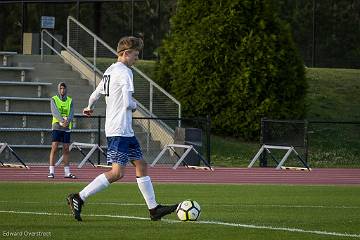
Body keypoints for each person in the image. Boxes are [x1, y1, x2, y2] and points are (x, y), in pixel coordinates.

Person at [66, 36, 178, 221]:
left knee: (141, 165)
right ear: (126, 54)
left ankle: (154, 209)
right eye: (136, 55)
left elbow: (95, 94)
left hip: (124, 131)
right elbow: (127, 103)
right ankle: (79, 197)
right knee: (118, 172)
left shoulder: (110, 70)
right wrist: (134, 106)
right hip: (119, 130)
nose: (137, 59)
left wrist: (89, 106)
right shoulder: (126, 72)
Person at [48, 82, 76, 179]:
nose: (62, 90)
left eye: (64, 88)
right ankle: (51, 171)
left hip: (67, 127)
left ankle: (67, 172)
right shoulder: (54, 99)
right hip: (57, 126)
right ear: (58, 89)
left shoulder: (70, 100)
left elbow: (72, 112)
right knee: (54, 147)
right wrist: (61, 120)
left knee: (66, 149)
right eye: (61, 88)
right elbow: (54, 111)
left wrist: (67, 121)